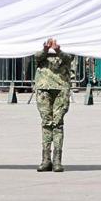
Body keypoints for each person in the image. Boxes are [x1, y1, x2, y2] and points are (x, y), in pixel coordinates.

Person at [33, 38, 74, 172]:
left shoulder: (70, 41)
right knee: (46, 122)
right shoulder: (41, 41)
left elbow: (69, 58)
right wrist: (46, 49)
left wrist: (58, 50)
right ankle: (45, 159)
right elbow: (36, 57)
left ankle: (57, 160)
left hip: (61, 87)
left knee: (57, 123)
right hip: (44, 87)